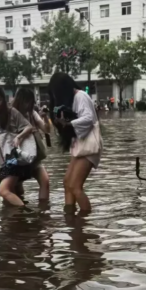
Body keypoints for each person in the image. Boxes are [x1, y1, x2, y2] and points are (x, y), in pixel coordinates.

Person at [49, 72, 101, 214]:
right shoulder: (70, 100)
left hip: (88, 146)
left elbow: (89, 119)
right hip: (80, 146)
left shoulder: (80, 96)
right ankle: (70, 217)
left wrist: (69, 123)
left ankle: (84, 219)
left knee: (75, 186)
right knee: (67, 183)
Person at [12, 88, 51, 201]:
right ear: (19, 100)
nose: (28, 104)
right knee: (16, 188)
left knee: (45, 181)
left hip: (33, 155)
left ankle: (43, 211)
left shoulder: (32, 113)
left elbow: (46, 129)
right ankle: (19, 213)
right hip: (18, 157)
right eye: (26, 101)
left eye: (30, 101)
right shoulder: (11, 114)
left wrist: (45, 117)